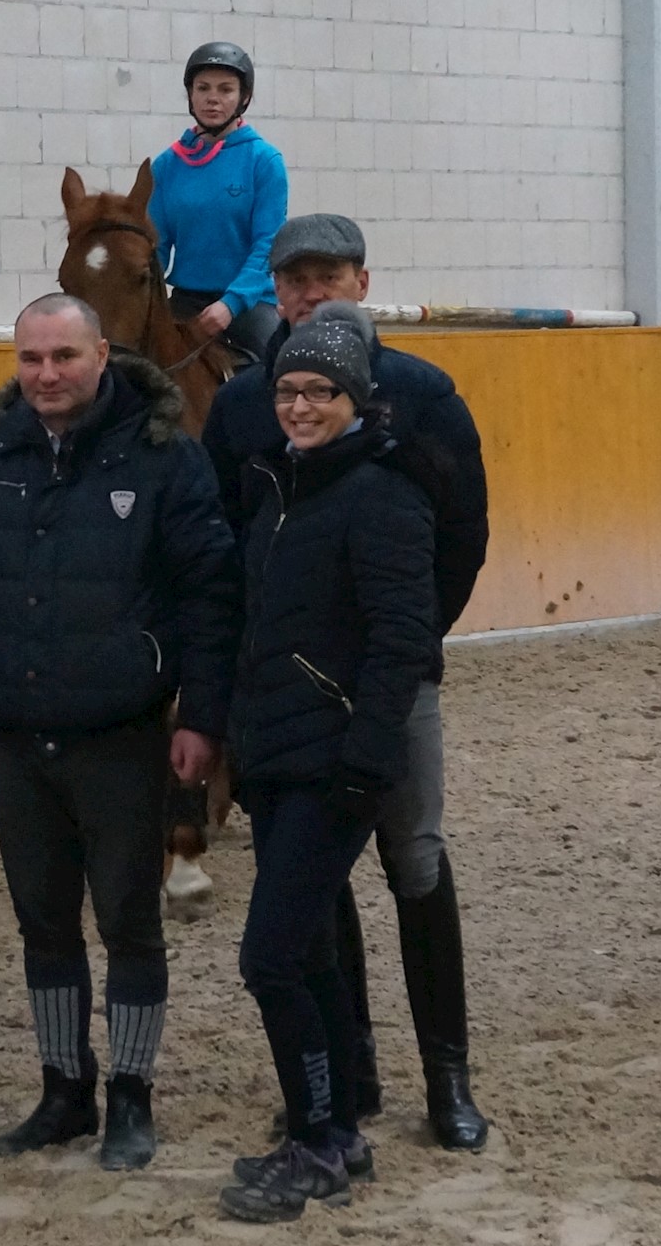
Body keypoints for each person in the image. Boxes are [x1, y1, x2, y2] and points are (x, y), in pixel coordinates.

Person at [0, 294, 240, 1171]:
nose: (46, 375)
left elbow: (209, 597)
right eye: (31, 358)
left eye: (63, 356)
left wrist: (204, 718)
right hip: (20, 740)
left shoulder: (167, 462)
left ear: (103, 354)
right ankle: (62, 1086)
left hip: (125, 736)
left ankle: (131, 1094)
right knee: (43, 923)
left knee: (130, 920)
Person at [205, 218, 494, 1149]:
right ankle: (350, 1066)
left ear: (362, 282)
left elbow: (461, 542)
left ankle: (448, 1077)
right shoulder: (245, 406)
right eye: (293, 284)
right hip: (287, 692)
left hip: (387, 681)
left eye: (326, 279)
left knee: (414, 860)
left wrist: (389, 657)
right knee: (314, 885)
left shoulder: (425, 396)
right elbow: (228, 544)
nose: (308, 297)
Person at [214, 313, 439, 1223]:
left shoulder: (383, 497)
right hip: (273, 751)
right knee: (306, 952)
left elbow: (399, 642)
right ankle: (338, 1129)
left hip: (332, 763)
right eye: (289, 392)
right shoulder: (276, 488)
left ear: (355, 402)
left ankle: (316, 1137)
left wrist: (365, 760)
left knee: (267, 957)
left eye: (320, 392)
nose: (301, 406)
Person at [147, 41, 289, 366]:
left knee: (284, 368)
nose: (213, 98)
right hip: (185, 301)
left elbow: (268, 245)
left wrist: (230, 303)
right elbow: (155, 247)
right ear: (190, 95)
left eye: (226, 89)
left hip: (249, 304)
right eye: (203, 88)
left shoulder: (264, 161)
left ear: (244, 98)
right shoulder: (166, 166)